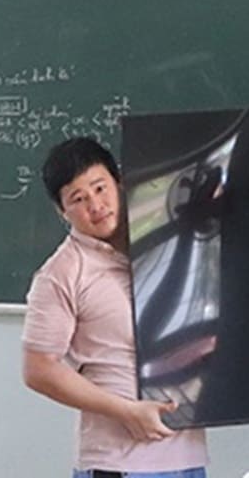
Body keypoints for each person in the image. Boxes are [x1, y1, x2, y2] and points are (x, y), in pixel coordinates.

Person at [22, 137, 208, 478]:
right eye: (78, 199)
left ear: (119, 182)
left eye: (100, 188)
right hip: (120, 463)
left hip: (187, 456)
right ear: (62, 211)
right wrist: (126, 411)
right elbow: (38, 370)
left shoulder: (169, 245)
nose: (95, 205)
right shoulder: (61, 274)